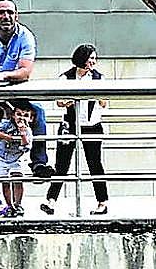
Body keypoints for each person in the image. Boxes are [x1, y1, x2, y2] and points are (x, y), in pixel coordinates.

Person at [0, 0, 53, 218]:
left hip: (16, 95)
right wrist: (3, 93)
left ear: (16, 15)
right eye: (1, 12)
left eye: (10, 12)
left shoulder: (25, 36)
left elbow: (25, 71)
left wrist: (3, 75)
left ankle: (39, 163)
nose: (6, 16)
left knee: (39, 113)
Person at [42, 43, 108, 216]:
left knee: (95, 164)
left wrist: (97, 95)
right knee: (62, 163)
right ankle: (51, 200)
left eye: (94, 58)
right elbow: (59, 101)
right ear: (82, 59)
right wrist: (69, 101)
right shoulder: (66, 78)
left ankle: (102, 202)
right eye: (90, 58)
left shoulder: (98, 78)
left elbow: (104, 102)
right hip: (69, 125)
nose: (93, 62)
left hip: (92, 126)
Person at [0, 100, 35, 217]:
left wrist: (22, 133)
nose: (21, 118)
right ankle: (9, 205)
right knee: (5, 183)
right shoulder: (6, 124)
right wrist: (6, 136)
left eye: (26, 116)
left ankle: (18, 204)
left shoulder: (28, 130)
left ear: (30, 118)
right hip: (1, 157)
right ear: (14, 115)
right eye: (19, 114)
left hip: (16, 158)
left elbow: (26, 147)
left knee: (17, 179)